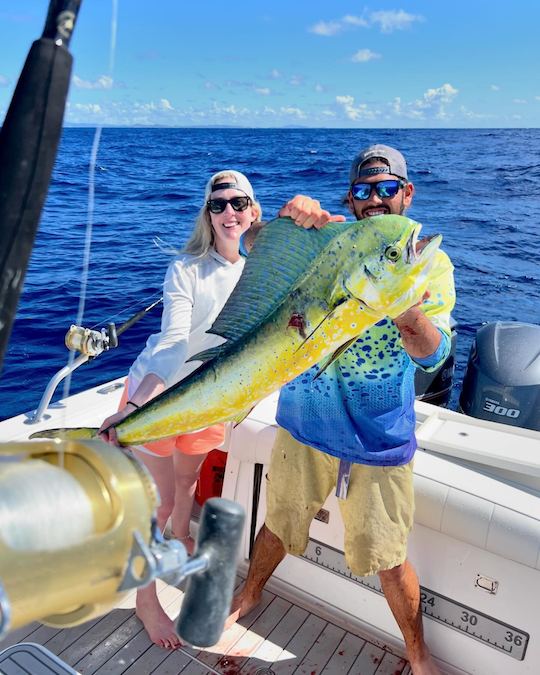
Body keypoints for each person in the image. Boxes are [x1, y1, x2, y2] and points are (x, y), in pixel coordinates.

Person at [227, 145, 455, 675]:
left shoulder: (429, 262)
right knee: (278, 523)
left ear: (407, 192)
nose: (375, 199)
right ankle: (250, 594)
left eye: (386, 188)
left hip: (377, 436)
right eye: (362, 190)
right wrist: (286, 220)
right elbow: (252, 246)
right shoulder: (329, 243)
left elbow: (434, 352)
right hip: (303, 422)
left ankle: (417, 653)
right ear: (350, 198)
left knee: (388, 555)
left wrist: (405, 309)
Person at [98, 169, 263, 649]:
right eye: (218, 205)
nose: (229, 212)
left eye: (238, 203)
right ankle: (145, 600)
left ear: (253, 212)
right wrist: (134, 405)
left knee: (188, 481)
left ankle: (180, 538)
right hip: (162, 397)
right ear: (207, 216)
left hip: (211, 402)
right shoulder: (186, 269)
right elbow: (172, 346)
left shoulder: (257, 276)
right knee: (160, 503)